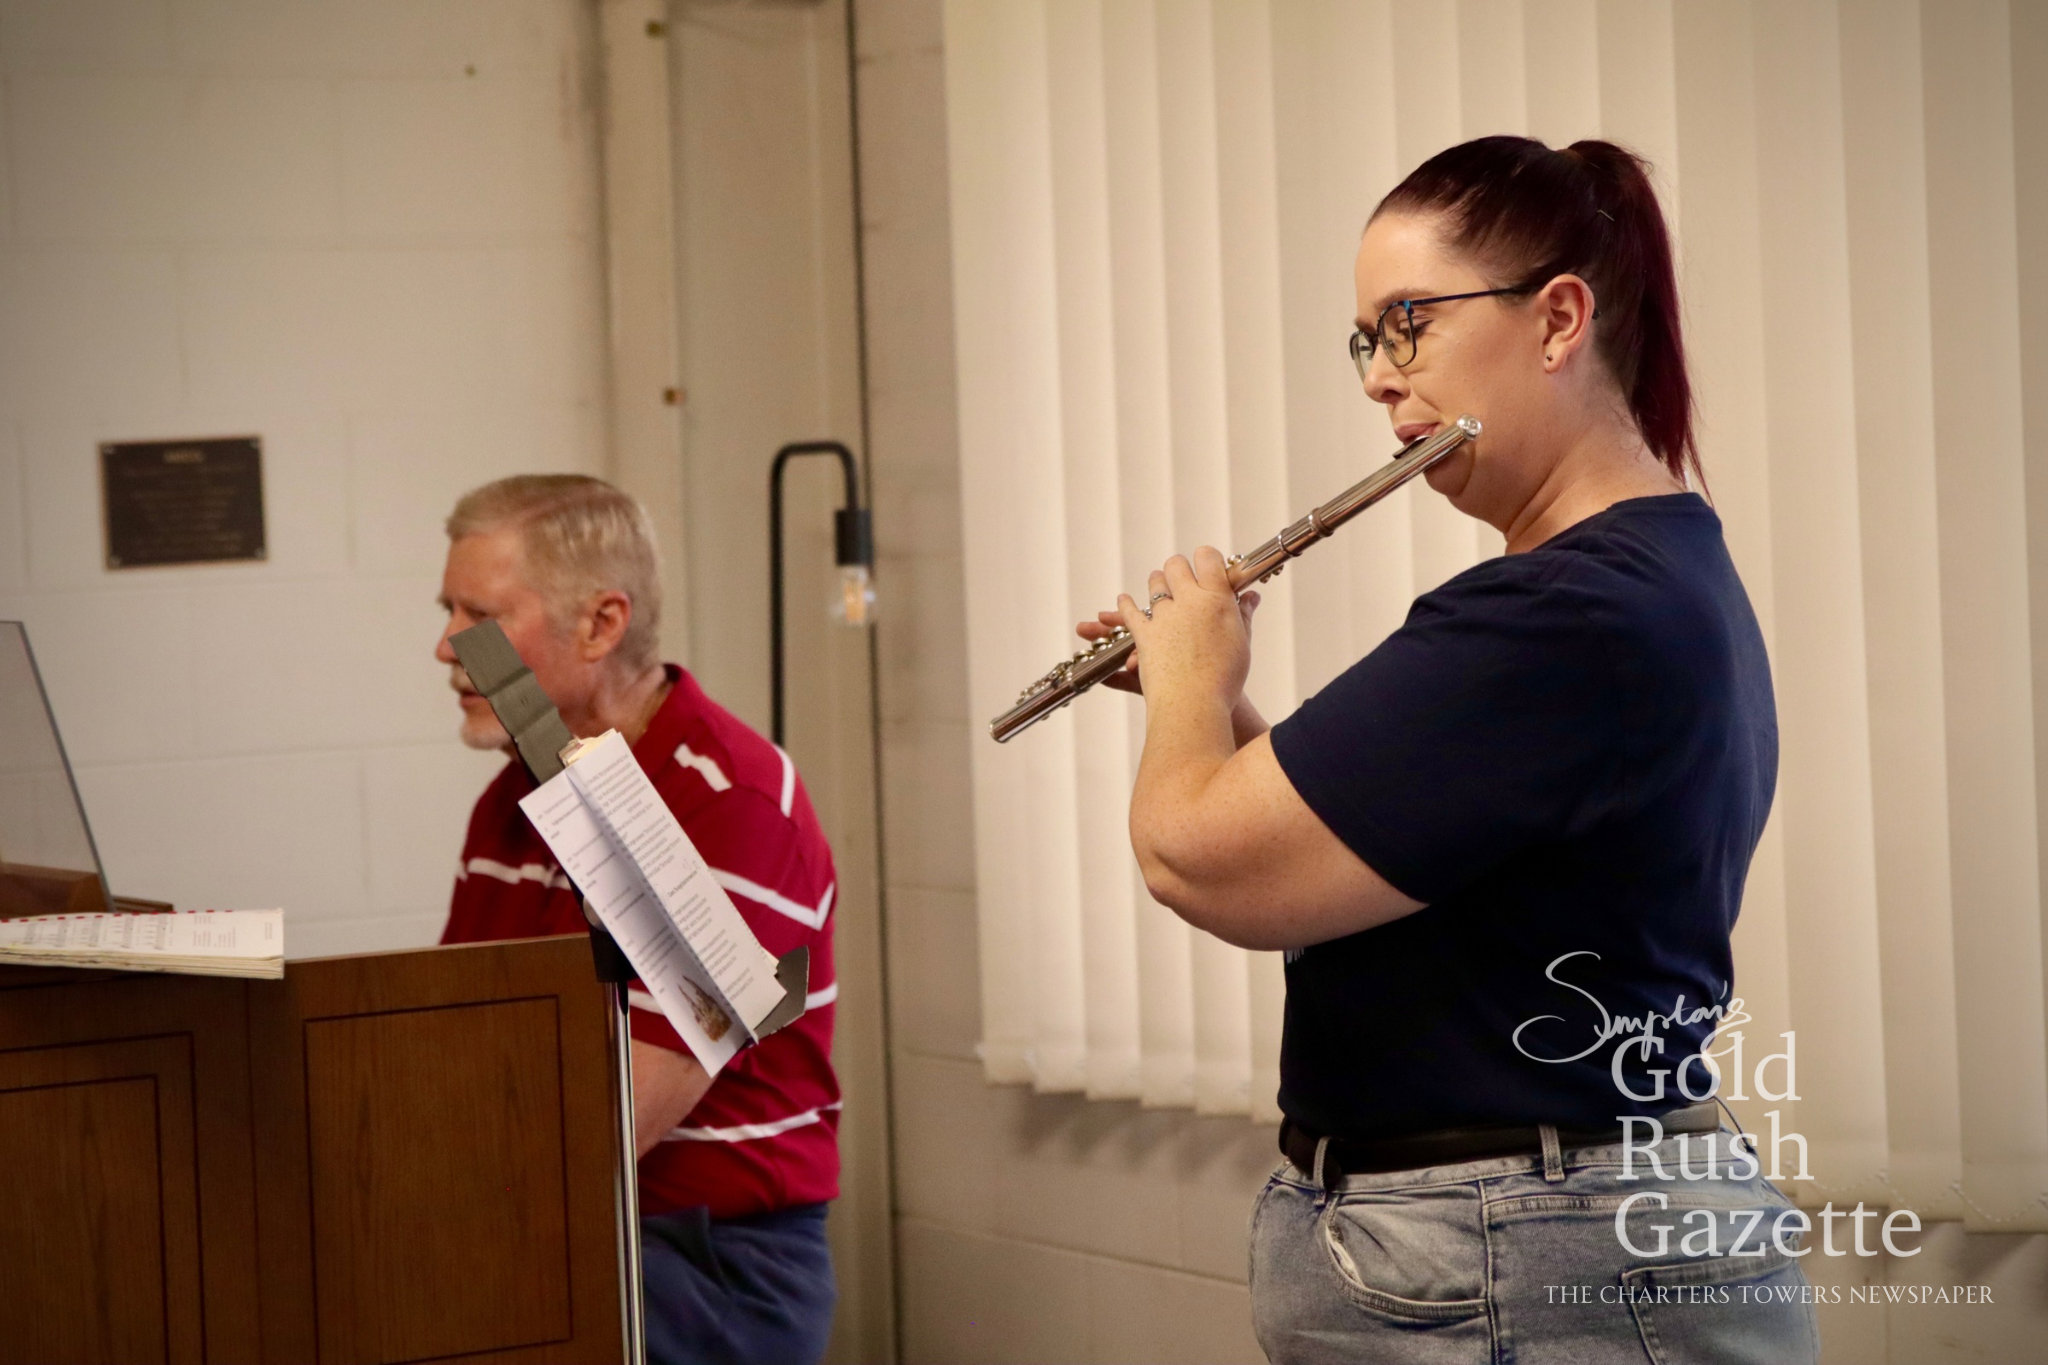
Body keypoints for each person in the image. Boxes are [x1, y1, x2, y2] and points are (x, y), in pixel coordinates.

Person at [1086, 137, 1818, 1362]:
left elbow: (1196, 861)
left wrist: (1190, 683)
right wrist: (1194, 702)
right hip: (1533, 1234)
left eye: (1408, 322)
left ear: (1556, 320)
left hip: (1517, 1251)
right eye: (1365, 339)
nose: (1379, 378)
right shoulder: (1640, 577)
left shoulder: (1564, 615)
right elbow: (1313, 860)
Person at [434, 474, 839, 1365]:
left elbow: (620, 1115)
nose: (445, 644)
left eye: (480, 614)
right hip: (564, 1218)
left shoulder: (728, 800)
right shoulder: (514, 799)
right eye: (447, 609)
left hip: (709, 1255)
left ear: (602, 623)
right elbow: (451, 1047)